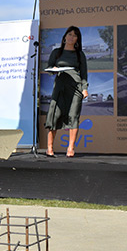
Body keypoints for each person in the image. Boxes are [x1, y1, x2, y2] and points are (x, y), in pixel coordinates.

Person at [44, 26, 89, 158]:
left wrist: (84, 88)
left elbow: (84, 73)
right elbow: (49, 68)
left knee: (73, 116)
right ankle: (49, 148)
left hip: (75, 87)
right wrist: (53, 69)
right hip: (60, 85)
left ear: (77, 39)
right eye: (69, 34)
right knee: (55, 115)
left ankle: (70, 148)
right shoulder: (56, 52)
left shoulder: (80, 54)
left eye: (74, 35)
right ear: (64, 37)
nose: (71, 37)